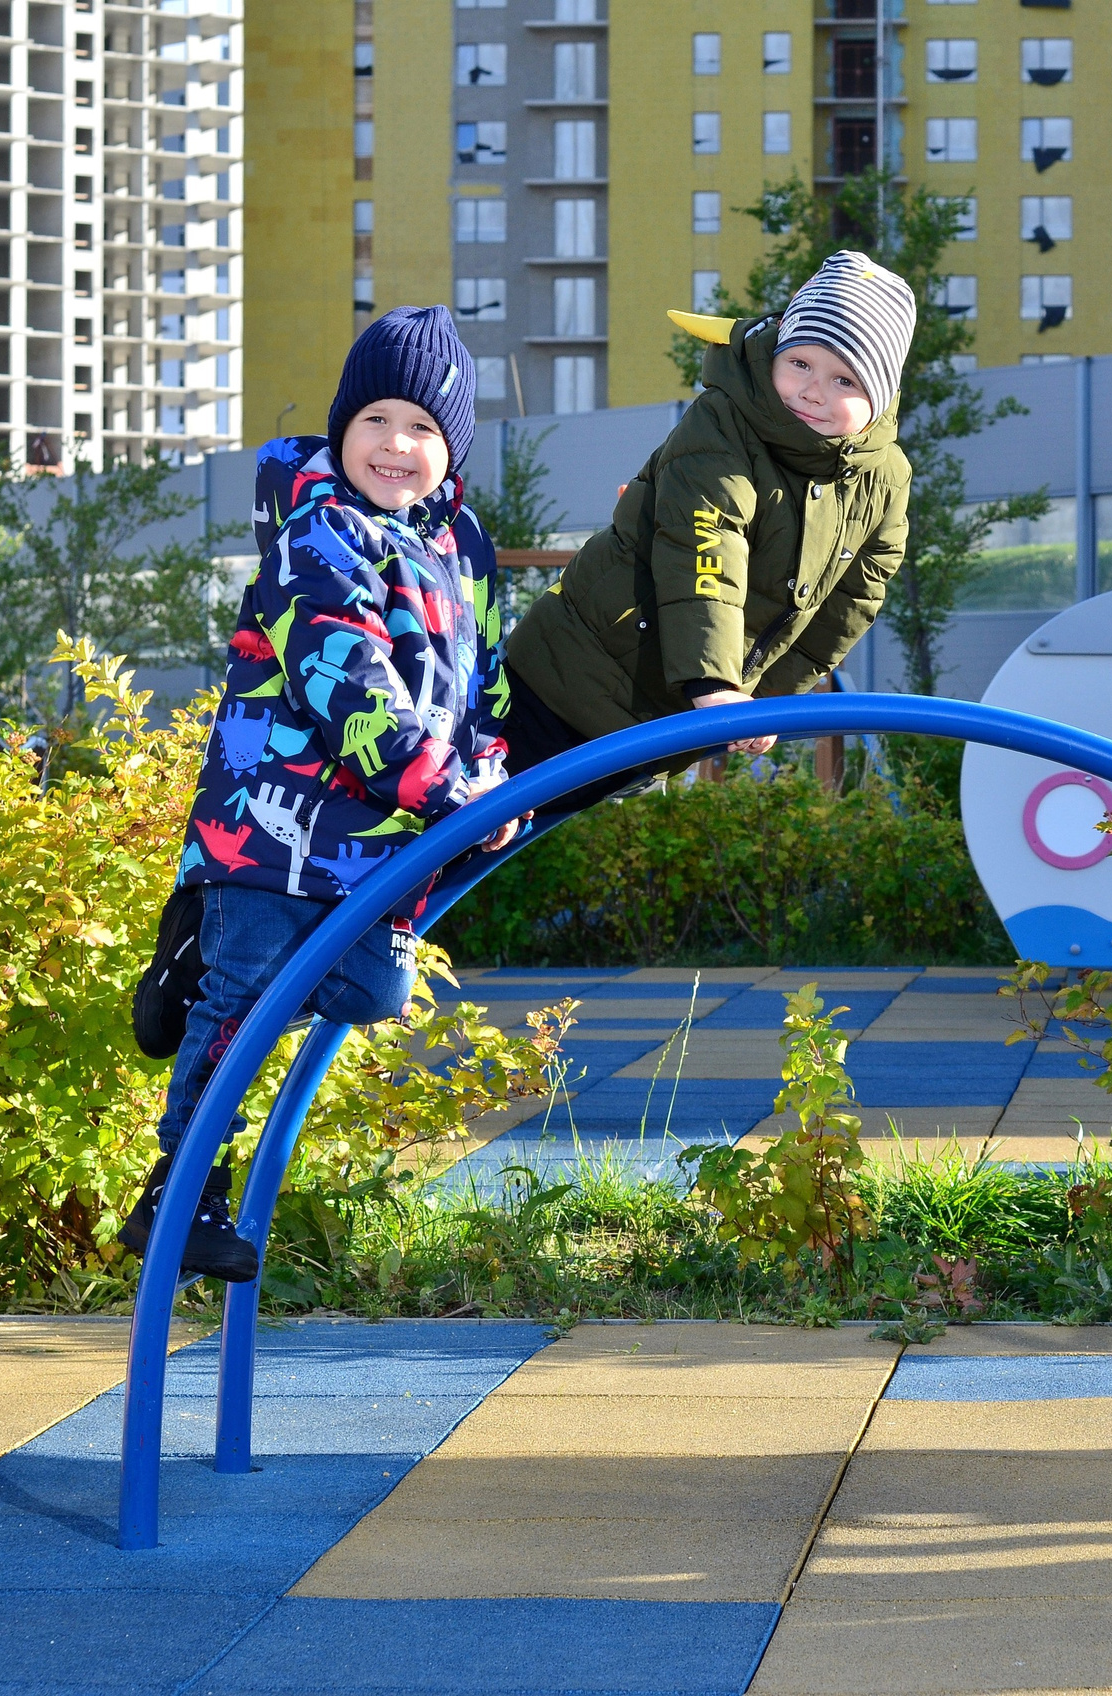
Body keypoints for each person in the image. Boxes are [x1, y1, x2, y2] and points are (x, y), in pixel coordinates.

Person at [117, 304, 510, 1283]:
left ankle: (190, 962)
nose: (395, 445)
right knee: (244, 999)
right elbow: (349, 684)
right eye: (375, 420)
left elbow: (481, 686)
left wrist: (497, 778)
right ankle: (180, 1188)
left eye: (420, 428)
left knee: (375, 989)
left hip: (383, 844)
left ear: (452, 451)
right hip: (268, 832)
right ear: (341, 429)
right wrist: (448, 791)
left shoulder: (462, 552)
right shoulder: (319, 531)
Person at [488, 249, 916, 827]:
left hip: (659, 720)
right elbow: (706, 540)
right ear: (775, 353)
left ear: (881, 395)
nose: (814, 390)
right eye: (800, 363)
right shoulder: (723, 423)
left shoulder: (883, 480)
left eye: (845, 379)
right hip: (569, 671)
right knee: (456, 820)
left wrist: (766, 704)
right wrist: (713, 682)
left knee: (501, 832)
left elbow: (849, 605)